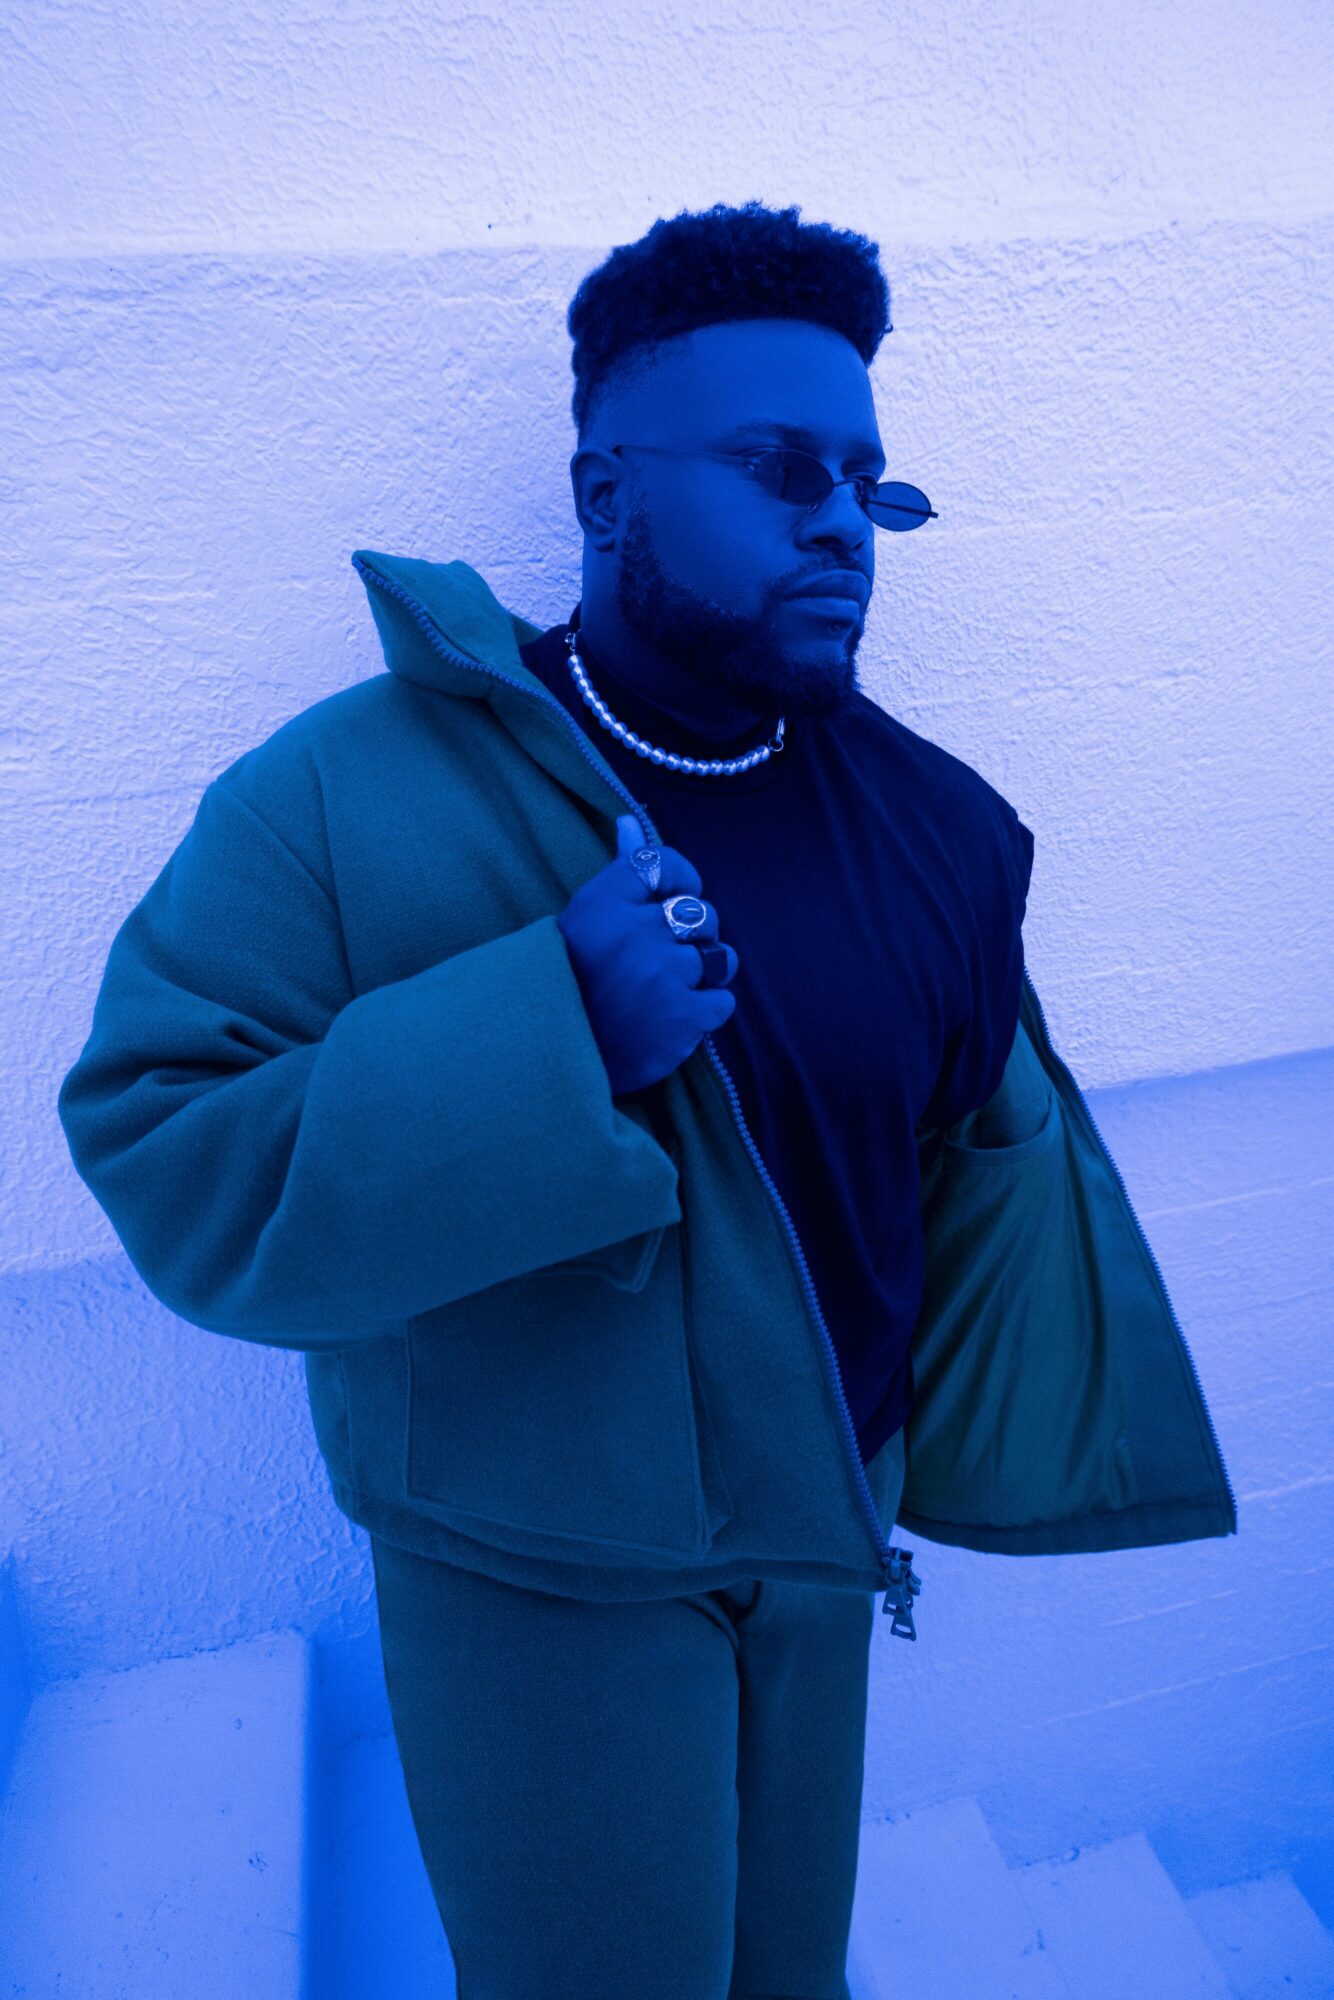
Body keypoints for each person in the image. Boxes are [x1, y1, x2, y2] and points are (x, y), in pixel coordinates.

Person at [57, 198, 1235, 2000]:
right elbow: (167, 1158)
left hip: (824, 1548)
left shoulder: (946, 828)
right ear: (606, 494)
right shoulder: (341, 797)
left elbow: (948, 1167)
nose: (836, 521)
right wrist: (553, 1030)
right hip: (537, 1579)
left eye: (868, 483)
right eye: (779, 467)